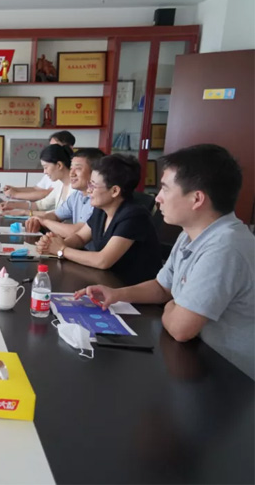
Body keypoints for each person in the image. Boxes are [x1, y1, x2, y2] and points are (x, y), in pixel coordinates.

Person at [76, 145, 254, 378]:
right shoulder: (190, 234)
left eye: (165, 189)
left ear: (197, 198)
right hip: (193, 358)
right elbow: (162, 288)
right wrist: (117, 294)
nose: (157, 198)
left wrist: (173, 305)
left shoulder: (224, 247)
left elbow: (180, 328)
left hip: (230, 376)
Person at [36, 154, 162, 285]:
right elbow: (80, 238)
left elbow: (102, 260)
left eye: (93, 186)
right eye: (89, 183)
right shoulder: (101, 210)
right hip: (106, 281)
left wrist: (61, 250)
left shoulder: (134, 216)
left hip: (130, 288)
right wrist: (53, 244)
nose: (89, 190)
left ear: (114, 191)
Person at [25, 147, 105, 237]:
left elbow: (78, 232)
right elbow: (56, 215)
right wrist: (38, 220)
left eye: (78, 168)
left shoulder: (98, 200)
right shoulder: (77, 195)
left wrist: (44, 221)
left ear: (95, 173)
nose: (72, 173)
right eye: (71, 168)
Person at [0, 144, 75, 215]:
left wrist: (24, 212)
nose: (44, 172)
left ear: (59, 165)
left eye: (46, 167)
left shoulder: (75, 189)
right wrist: (14, 205)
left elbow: (58, 215)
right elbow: (41, 205)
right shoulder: (60, 184)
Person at [3, 131, 76, 201]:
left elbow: (47, 194)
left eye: (55, 146)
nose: (51, 149)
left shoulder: (65, 172)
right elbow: (37, 189)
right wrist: (14, 189)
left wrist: (15, 194)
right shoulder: (51, 169)